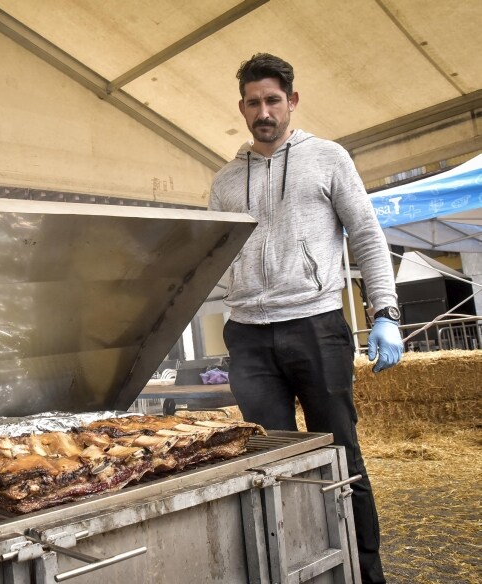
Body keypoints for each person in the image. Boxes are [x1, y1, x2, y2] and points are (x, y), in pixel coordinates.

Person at [209, 54, 403, 584]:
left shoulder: (328, 158)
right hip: (247, 334)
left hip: (315, 325)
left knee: (342, 455)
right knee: (273, 460)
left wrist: (385, 311)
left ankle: (367, 572)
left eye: (273, 100)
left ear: (291, 101)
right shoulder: (225, 181)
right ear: (242, 108)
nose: (264, 111)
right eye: (254, 102)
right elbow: (212, 254)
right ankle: (302, 568)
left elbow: (366, 234)